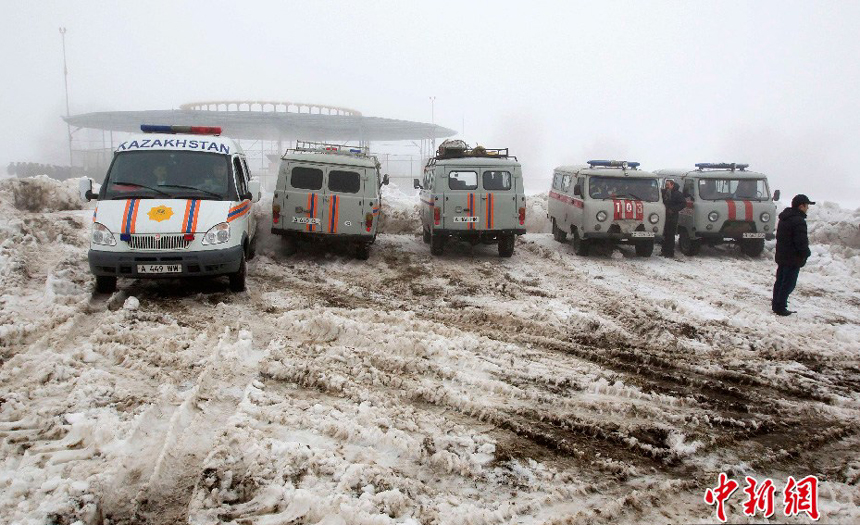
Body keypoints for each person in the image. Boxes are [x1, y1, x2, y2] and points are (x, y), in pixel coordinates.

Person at [772, 194, 814, 316]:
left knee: (780, 281)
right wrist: (806, 253)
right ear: (801, 206)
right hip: (792, 257)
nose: (808, 208)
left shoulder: (785, 218)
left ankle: (776, 304)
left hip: (782, 255)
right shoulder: (798, 221)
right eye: (807, 206)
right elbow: (800, 241)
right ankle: (780, 306)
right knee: (788, 283)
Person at [661, 179, 686, 257]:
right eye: (666, 185)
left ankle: (670, 252)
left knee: (670, 235)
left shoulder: (678, 194)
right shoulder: (664, 192)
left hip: (672, 217)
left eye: (668, 185)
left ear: (672, 185)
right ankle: (664, 251)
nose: (666, 186)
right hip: (664, 216)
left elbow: (683, 204)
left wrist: (673, 209)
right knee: (664, 234)